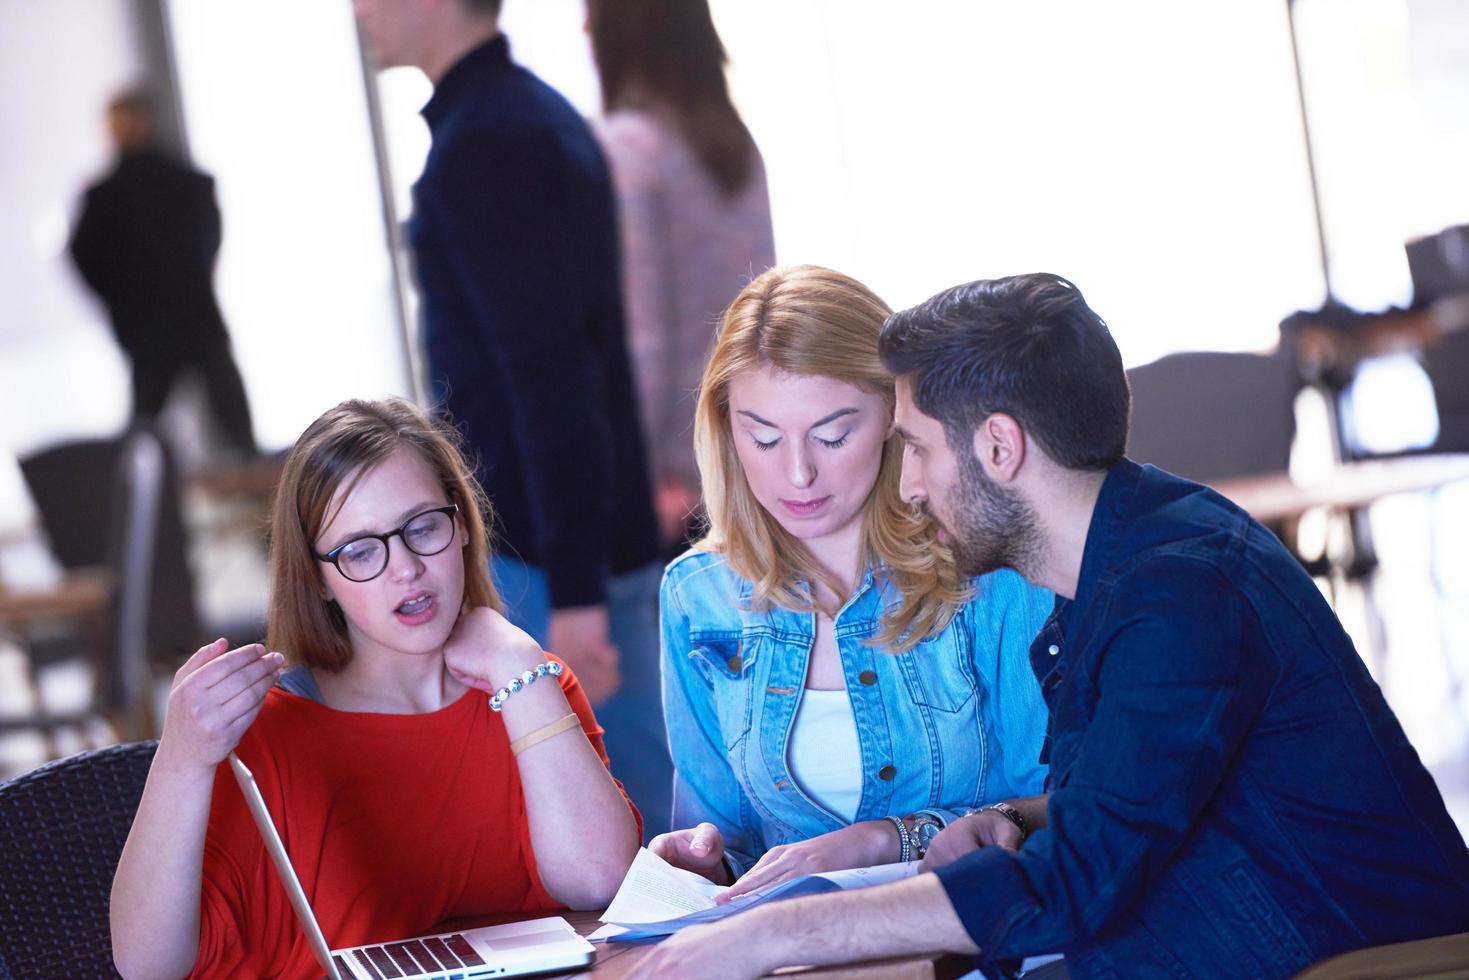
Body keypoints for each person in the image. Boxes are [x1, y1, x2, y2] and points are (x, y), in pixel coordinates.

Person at [627, 274, 1469, 979]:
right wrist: (1021, 821)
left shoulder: (1176, 592)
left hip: (1322, 957)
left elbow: (1074, 885)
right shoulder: (1123, 557)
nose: (907, 485)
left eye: (912, 447)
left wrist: (770, 933)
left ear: (997, 448)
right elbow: (1117, 807)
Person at [110, 398, 640, 978]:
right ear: (318, 579)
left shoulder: (530, 684)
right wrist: (180, 759)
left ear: (460, 523)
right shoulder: (264, 733)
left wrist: (518, 663)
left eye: (422, 527)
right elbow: (146, 966)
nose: (405, 567)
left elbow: (600, 880)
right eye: (360, 550)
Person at [351, 0, 670, 837]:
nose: (356, 9)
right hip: (570, 546)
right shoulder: (520, 118)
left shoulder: (490, 141)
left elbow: (552, 376)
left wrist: (574, 593)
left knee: (626, 840)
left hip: (554, 559)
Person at [652, 265, 1052, 899]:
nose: (798, 473)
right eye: (762, 437)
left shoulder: (992, 569)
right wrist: (703, 864)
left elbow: (1059, 809)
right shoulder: (698, 595)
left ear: (898, 418)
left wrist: (883, 838)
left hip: (976, 946)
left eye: (833, 435)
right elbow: (723, 839)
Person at [587, 0, 777, 550]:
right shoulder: (735, 142)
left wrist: (642, 472)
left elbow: (642, 338)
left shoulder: (629, 148)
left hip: (676, 480)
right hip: (751, 439)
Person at [70, 88, 256, 455]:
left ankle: (262, 485)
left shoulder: (183, 184)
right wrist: (121, 301)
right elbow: (84, 256)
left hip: (188, 313)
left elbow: (207, 237)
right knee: (144, 428)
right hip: (148, 328)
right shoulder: (105, 197)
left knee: (230, 409)